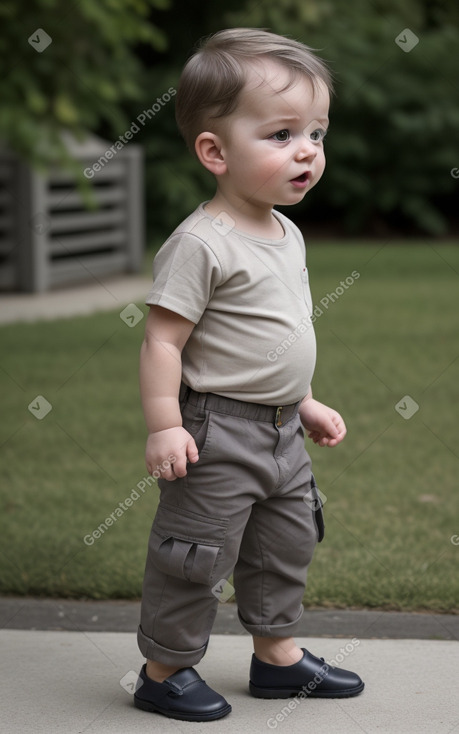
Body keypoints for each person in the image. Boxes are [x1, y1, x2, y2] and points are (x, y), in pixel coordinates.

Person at [134, 27, 364, 722]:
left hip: (281, 432)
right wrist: (164, 424)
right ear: (214, 151)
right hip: (214, 432)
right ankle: (163, 669)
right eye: (282, 133)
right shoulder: (201, 242)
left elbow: (271, 338)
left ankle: (277, 658)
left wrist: (304, 401)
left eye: (316, 134)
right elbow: (162, 340)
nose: (307, 151)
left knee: (284, 543)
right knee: (195, 556)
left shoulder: (284, 232)